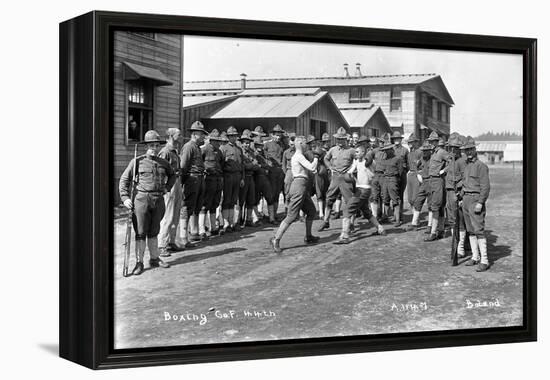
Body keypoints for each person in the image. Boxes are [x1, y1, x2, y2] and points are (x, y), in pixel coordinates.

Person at [119, 130, 175, 275]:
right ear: (146, 146)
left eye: (157, 145)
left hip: (158, 200)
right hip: (141, 200)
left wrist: (167, 188)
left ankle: (155, 259)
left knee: (154, 231)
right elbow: (124, 180)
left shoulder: (164, 163)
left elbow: (173, 176)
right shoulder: (137, 162)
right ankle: (139, 262)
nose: (154, 148)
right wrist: (125, 198)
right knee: (141, 232)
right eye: (151, 145)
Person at [270, 136, 320, 253]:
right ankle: (276, 239)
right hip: (298, 186)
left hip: (301, 185)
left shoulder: (299, 156)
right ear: (301, 144)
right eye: (305, 144)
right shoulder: (298, 156)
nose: (307, 145)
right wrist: (317, 157)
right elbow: (312, 168)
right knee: (292, 216)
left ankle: (308, 236)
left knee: (311, 211)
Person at [335, 145, 385, 244]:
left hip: (364, 190)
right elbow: (350, 172)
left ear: (363, 152)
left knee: (347, 209)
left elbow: (372, 167)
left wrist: (368, 158)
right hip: (360, 189)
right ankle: (380, 229)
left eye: (357, 152)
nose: (355, 153)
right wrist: (349, 174)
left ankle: (345, 235)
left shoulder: (369, 163)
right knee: (366, 212)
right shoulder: (357, 162)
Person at [460, 136, 491, 271]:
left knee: (478, 230)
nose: (468, 152)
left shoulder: (481, 166)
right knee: (470, 230)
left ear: (475, 149)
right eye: (466, 150)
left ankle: (484, 260)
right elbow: (465, 184)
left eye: (470, 149)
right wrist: (461, 197)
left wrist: (480, 202)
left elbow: (485, 187)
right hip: (466, 200)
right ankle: (475, 257)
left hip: (475, 200)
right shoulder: (466, 166)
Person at [318, 127, 356, 231]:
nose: (340, 141)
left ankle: (351, 223)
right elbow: (326, 159)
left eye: (342, 139)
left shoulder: (351, 151)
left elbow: (357, 161)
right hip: (335, 177)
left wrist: (351, 170)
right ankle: (326, 221)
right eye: (338, 139)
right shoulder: (332, 150)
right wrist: (330, 167)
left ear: (346, 140)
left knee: (350, 201)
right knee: (329, 198)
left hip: (346, 178)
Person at [180, 121, 208, 244]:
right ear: (195, 134)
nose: (203, 137)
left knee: (197, 206)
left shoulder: (197, 147)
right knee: (187, 207)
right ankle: (183, 237)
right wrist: (183, 182)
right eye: (201, 134)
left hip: (199, 179)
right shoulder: (188, 147)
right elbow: (183, 166)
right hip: (191, 179)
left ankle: (194, 233)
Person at [157, 128, 184, 257]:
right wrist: (165, 187)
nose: (181, 136)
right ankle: (162, 245)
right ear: (171, 136)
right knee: (168, 215)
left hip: (177, 182)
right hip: (169, 184)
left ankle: (171, 241)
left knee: (176, 214)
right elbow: (160, 170)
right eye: (179, 134)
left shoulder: (175, 151)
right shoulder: (165, 152)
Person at [444, 134, 468, 257]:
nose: (452, 150)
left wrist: (461, 193)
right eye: (451, 147)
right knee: (452, 220)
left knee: (461, 221)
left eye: (455, 148)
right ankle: (455, 245)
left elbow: (466, 179)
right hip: (449, 191)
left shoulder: (462, 161)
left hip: (457, 193)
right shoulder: (450, 160)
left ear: (459, 149)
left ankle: (461, 248)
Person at [200, 129, 225, 238]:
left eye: (218, 141)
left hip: (217, 179)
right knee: (205, 204)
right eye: (215, 141)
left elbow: (221, 164)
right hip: (208, 179)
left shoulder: (219, 152)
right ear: (210, 141)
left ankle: (213, 227)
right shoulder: (204, 150)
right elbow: (200, 163)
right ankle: (201, 229)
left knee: (215, 203)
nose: (217, 143)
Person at [219, 126, 245, 233]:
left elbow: (242, 165)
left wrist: (242, 178)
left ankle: (232, 222)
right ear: (228, 137)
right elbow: (220, 165)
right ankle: (225, 224)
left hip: (237, 177)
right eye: (231, 136)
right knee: (227, 199)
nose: (233, 138)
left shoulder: (239, 149)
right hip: (228, 176)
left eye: (235, 136)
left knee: (234, 200)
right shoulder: (223, 149)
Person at [425, 132, 450, 241]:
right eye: (430, 141)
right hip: (432, 181)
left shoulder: (442, 152)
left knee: (436, 206)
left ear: (436, 142)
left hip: (438, 181)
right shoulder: (433, 153)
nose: (430, 143)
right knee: (436, 206)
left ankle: (433, 232)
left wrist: (444, 170)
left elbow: (452, 162)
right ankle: (440, 230)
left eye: (432, 141)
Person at [408, 141, 434, 231]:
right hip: (423, 183)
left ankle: (430, 225)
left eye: (427, 151)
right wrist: (419, 175)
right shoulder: (422, 159)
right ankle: (414, 223)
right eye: (424, 151)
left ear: (430, 151)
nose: (425, 152)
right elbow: (417, 168)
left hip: (431, 183)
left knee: (430, 205)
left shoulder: (433, 159)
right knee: (417, 202)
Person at [253, 136, 277, 224]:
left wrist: (263, 166)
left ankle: (271, 218)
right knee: (255, 199)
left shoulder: (265, 154)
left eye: (260, 145)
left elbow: (270, 164)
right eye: (257, 145)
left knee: (269, 197)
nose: (259, 147)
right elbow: (254, 165)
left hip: (265, 178)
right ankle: (256, 218)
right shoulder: (253, 154)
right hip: (256, 178)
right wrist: (263, 167)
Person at [264, 125, 286, 220]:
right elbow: (263, 156)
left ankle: (275, 215)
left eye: (280, 135)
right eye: (276, 135)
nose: (278, 137)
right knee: (271, 194)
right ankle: (271, 217)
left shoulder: (283, 145)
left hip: (280, 172)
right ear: (272, 135)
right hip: (271, 172)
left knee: (277, 193)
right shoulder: (267, 145)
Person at [380, 141, 404, 227]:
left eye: (387, 150)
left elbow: (401, 171)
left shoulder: (398, 159)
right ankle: (385, 217)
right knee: (385, 199)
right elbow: (383, 170)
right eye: (385, 150)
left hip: (393, 179)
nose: (386, 152)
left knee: (395, 200)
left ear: (391, 149)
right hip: (385, 179)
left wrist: (396, 180)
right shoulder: (384, 159)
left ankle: (397, 219)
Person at [238, 131, 260, 227]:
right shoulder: (239, 152)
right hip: (243, 177)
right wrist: (251, 165)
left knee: (251, 199)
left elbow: (257, 165)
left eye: (248, 142)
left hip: (251, 177)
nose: (246, 144)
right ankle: (238, 220)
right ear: (241, 143)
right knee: (241, 200)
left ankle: (248, 219)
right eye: (245, 142)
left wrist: (251, 165)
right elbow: (243, 166)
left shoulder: (251, 152)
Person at [391, 131, 409, 220]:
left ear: (400, 140)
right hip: (393, 175)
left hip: (402, 175)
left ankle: (400, 215)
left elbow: (408, 164)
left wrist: (404, 170)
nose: (396, 140)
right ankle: (395, 215)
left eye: (398, 138)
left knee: (400, 195)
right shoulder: (391, 149)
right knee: (393, 195)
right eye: (395, 139)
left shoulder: (405, 150)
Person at [406, 133, 421, 212]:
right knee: (410, 197)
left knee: (415, 197)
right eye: (409, 142)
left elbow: (423, 164)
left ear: (416, 142)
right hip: (410, 174)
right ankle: (414, 216)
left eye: (412, 142)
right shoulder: (409, 153)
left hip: (416, 175)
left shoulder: (419, 152)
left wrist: (419, 173)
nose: (410, 144)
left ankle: (416, 219)